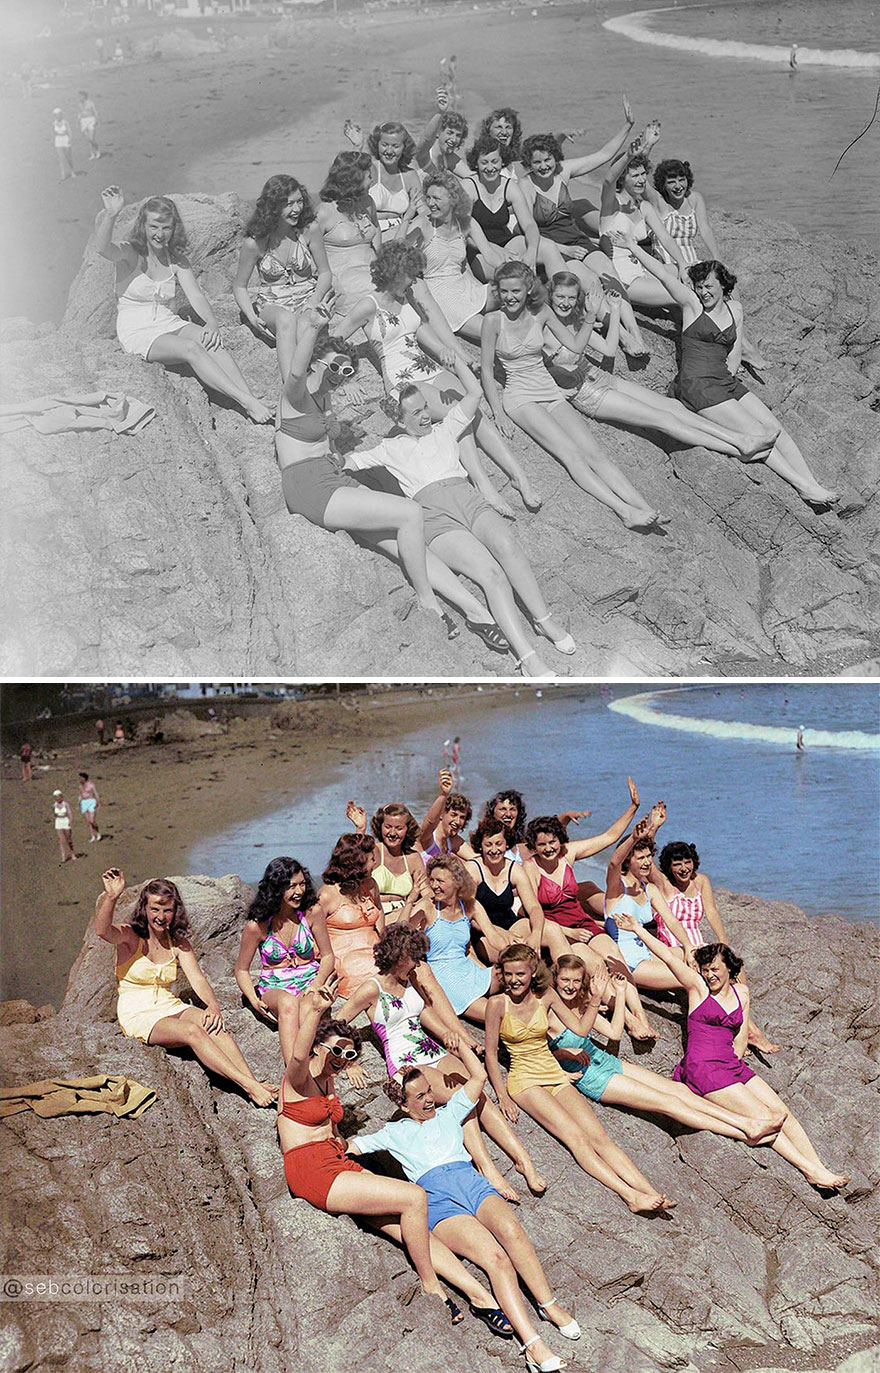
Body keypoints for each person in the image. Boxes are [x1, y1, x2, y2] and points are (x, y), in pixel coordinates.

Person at [348, 1038, 578, 1370]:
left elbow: (479, 1078)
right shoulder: (392, 1132)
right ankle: (532, 1344)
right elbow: (352, 1146)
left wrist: (462, 1050)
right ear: (403, 1104)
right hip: (439, 1201)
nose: (429, 1099)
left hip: (471, 1183)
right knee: (496, 1259)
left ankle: (548, 1304)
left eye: (429, 1091)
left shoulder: (449, 1111)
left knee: (513, 1230)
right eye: (420, 1096)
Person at [343, 352, 571, 675]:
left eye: (425, 408)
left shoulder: (445, 428)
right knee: (491, 574)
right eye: (416, 412)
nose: (425, 416)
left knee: (507, 543)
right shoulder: (388, 449)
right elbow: (351, 463)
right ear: (399, 419)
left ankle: (544, 620)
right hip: (436, 518)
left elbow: (475, 395)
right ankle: (527, 657)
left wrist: (457, 365)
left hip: (468, 499)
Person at [612, 918, 851, 1191]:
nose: (709, 975)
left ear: (728, 967)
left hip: (731, 1065)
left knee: (782, 1112)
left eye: (714, 969)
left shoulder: (742, 993)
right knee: (763, 1117)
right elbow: (668, 957)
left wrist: (741, 1072)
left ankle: (820, 1166)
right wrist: (638, 929)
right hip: (703, 1068)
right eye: (705, 970)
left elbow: (740, 1040)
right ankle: (810, 1171)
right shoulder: (698, 989)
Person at [610, 241, 841, 509]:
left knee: (776, 430)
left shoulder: (736, 310)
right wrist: (630, 246)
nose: (703, 291)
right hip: (697, 385)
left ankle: (812, 482)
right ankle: (803, 488)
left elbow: (734, 354)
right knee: (756, 433)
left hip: (724, 381)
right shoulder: (691, 305)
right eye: (700, 286)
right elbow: (662, 275)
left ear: (723, 285)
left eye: (709, 286)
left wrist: (730, 386)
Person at [274, 305, 456, 636]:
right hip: (308, 485)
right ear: (317, 361)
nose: (337, 375)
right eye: (333, 366)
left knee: (401, 539)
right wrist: (314, 327)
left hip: (331, 478)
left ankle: (474, 610)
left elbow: (326, 437)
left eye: (345, 372)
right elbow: (297, 373)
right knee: (410, 514)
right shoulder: (294, 396)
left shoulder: (325, 400)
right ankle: (429, 603)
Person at [278, 979, 454, 1319]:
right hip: (311, 1169)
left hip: (335, 1162)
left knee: (404, 1222)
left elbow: (328, 1126)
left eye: (348, 1055)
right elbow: (298, 1053)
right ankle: (431, 1284)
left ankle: (473, 1291)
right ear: (318, 1047)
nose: (341, 1059)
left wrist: (341, 1139)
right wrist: (313, 1011)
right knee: (414, 1198)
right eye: (335, 1050)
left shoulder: (328, 1079)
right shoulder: (296, 1079)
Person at [339, 923, 546, 1200]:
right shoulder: (371, 989)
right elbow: (337, 1025)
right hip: (405, 1065)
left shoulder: (409, 981)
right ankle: (487, 1167)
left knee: (477, 1092)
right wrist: (350, 1063)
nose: (416, 965)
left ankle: (523, 1160)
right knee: (462, 1095)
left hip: (431, 1050)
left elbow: (423, 1013)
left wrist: (448, 1033)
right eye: (413, 958)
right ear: (399, 956)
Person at [336, 240, 528, 518]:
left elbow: (420, 330)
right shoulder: (368, 305)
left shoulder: (406, 297)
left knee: (474, 410)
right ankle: (484, 485)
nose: (414, 281)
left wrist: (444, 351)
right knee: (457, 414)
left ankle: (517, 473)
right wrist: (347, 378)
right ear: (394, 273)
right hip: (402, 381)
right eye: (410, 275)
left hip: (427, 367)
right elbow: (334, 341)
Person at [484, 945, 673, 1213]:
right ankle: (630, 1196)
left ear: (532, 973)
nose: (514, 980)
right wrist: (502, 1095)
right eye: (509, 974)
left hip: (553, 1073)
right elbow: (491, 1054)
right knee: (577, 1139)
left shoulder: (546, 996)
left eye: (521, 974)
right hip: (526, 1081)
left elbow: (582, 1028)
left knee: (600, 1138)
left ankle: (650, 1191)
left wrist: (595, 998)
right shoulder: (497, 1004)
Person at [480, 261, 667, 532]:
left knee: (595, 454)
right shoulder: (492, 320)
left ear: (528, 289)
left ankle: (644, 507)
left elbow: (576, 345)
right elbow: (486, 369)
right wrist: (497, 411)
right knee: (572, 457)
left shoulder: (541, 312)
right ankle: (625, 511)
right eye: (504, 291)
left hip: (549, 391)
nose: (510, 297)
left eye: (516, 291)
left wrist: (591, 315)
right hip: (521, 397)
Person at [549, 956, 784, 1145]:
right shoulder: (548, 1012)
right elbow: (537, 1050)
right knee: (668, 1103)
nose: (570, 986)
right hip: (591, 1076)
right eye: (565, 980)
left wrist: (619, 994)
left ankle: (744, 1120)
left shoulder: (580, 1005)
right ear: (555, 980)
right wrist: (563, 1056)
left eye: (576, 981)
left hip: (604, 1060)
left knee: (679, 1091)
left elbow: (614, 1032)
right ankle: (745, 1130)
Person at [544, 273, 776, 461]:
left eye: (571, 298)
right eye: (560, 297)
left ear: (578, 300)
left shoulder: (574, 322)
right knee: (663, 419)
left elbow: (608, 349)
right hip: (589, 393)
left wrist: (614, 311)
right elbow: (532, 365)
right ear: (549, 296)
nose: (565, 303)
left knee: (672, 406)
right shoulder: (543, 329)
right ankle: (739, 446)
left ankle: (737, 437)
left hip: (600, 377)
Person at [96, 868, 276, 1106]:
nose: (161, 916)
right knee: (192, 1033)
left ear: (175, 911)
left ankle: (252, 1082)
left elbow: (198, 979)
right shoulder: (131, 936)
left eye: (167, 910)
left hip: (168, 1004)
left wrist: (213, 1006)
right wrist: (111, 897)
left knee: (213, 1025)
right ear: (145, 910)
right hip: (137, 1013)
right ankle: (249, 1087)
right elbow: (103, 931)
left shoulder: (178, 943)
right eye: (155, 909)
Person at [95, 188, 272, 424]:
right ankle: (246, 401)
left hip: (167, 321)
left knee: (210, 340)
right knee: (191, 349)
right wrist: (111, 215)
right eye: (154, 227)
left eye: (166, 227)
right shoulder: (131, 253)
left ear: (174, 227)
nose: (160, 234)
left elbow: (196, 297)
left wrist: (211, 322)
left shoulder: (176, 260)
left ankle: (250, 398)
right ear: (143, 227)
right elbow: (102, 249)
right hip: (137, 330)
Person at [650, 828, 781, 1054]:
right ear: (669, 867)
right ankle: (751, 1033)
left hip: (699, 946)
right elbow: (648, 862)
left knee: (735, 971)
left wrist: (723, 943)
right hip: (675, 948)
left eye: (687, 862)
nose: (683, 868)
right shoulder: (664, 885)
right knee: (713, 976)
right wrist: (653, 828)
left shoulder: (700, 881)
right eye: (677, 864)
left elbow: (711, 911)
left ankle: (740, 1026)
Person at [234, 857, 335, 1055]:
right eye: (291, 886)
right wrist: (254, 1000)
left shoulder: (312, 912)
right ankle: (293, 1072)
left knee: (309, 1009)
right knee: (288, 1004)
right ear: (276, 888)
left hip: (309, 981)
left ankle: (310, 1064)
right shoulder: (257, 926)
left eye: (302, 884)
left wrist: (317, 983)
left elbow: (328, 956)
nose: (299, 892)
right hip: (275, 986)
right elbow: (241, 969)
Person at [232, 175, 332, 359]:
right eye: (289, 204)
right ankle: (293, 384)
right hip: (273, 304)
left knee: (306, 324)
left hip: (307, 299)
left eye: (300, 202)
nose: (296, 209)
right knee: (286, 320)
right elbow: (239, 286)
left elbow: (325, 273)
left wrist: (314, 301)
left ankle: (299, 380)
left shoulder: (309, 230)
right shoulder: (255, 243)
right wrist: (252, 318)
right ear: (273, 207)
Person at [599, 135, 692, 311]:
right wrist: (628, 155)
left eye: (643, 174)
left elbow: (665, 237)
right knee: (685, 294)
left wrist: (682, 263)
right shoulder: (611, 205)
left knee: (699, 274)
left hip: (644, 268)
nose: (641, 180)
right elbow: (607, 180)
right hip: (625, 278)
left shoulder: (644, 206)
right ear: (622, 179)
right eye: (634, 176)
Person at [603, 819, 696, 992]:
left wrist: (689, 946)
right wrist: (633, 838)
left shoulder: (649, 889)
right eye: (640, 858)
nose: (647, 862)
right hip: (630, 962)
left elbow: (671, 921)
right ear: (628, 861)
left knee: (700, 957)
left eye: (649, 856)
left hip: (648, 952)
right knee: (691, 977)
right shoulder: (616, 889)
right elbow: (613, 863)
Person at [460, 135, 564, 284]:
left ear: (502, 161)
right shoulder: (469, 187)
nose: (490, 168)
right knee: (513, 270)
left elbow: (529, 224)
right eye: (484, 162)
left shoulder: (509, 186)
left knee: (549, 248)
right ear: (476, 163)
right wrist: (495, 249)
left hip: (506, 242)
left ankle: (563, 291)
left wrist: (531, 252)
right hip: (478, 250)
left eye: (495, 161)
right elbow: (465, 233)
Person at [423, 854, 508, 1022]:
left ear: (457, 881)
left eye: (440, 881)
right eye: (432, 880)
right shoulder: (428, 906)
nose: (434, 886)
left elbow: (493, 937)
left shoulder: (470, 905)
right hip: (447, 979)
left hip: (470, 970)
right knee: (500, 1017)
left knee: (522, 977)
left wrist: (515, 955)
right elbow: (400, 930)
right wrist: (410, 901)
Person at [462, 817, 546, 955]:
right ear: (480, 846)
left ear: (506, 844)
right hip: (481, 931)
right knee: (512, 953)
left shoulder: (514, 869)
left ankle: (569, 972)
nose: (494, 850)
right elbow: (469, 914)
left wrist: (536, 935)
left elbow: (534, 907)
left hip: (510, 924)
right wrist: (500, 933)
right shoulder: (472, 869)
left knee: (552, 931)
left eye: (498, 844)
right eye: (488, 845)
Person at [319, 833, 386, 998]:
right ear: (358, 862)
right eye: (371, 859)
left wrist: (385, 941)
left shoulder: (370, 886)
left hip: (373, 950)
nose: (375, 863)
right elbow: (311, 932)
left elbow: (379, 910)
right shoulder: (327, 895)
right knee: (383, 973)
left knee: (415, 966)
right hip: (347, 959)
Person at [316, 151, 381, 316]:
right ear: (354, 180)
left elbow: (376, 228)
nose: (372, 180)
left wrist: (381, 259)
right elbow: (309, 250)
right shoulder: (325, 211)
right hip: (344, 279)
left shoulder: (368, 203)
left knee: (410, 282)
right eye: (368, 176)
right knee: (382, 289)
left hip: (370, 270)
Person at [343, 798, 431, 918]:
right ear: (380, 827)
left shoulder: (413, 858)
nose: (393, 833)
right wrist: (360, 829)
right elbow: (355, 860)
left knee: (427, 905)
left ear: (407, 830)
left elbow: (425, 890)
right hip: (375, 912)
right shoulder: (374, 850)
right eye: (388, 827)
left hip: (403, 913)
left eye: (399, 828)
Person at [343, 119, 423, 240]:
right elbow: (350, 179)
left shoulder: (410, 175)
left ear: (404, 148)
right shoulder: (371, 168)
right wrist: (357, 147)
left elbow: (423, 209)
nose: (389, 151)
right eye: (384, 145)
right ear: (377, 145)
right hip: (370, 232)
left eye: (395, 146)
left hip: (400, 233)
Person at [419, 769, 473, 856]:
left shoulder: (451, 841)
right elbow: (429, 821)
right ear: (441, 814)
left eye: (462, 817)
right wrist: (444, 794)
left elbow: (476, 859)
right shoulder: (428, 837)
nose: (458, 821)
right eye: (453, 815)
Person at [414, 90, 468, 173]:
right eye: (449, 133)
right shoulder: (425, 155)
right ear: (438, 132)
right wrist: (440, 113)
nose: (453, 139)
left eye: (458, 135)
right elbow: (426, 139)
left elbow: (471, 175)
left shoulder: (448, 159)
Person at [52, 790, 76, 863]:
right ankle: (63, 856)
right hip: (58, 821)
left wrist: (70, 821)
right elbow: (54, 814)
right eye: (56, 797)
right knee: (61, 840)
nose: (57, 799)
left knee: (68, 840)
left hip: (65, 821)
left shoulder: (66, 804)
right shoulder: (54, 805)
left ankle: (72, 853)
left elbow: (69, 813)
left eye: (58, 797)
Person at [78, 772, 102, 842]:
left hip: (91, 801)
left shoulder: (91, 785)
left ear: (84, 778)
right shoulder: (80, 786)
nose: (80, 779)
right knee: (88, 821)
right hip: (84, 802)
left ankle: (97, 833)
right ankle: (93, 836)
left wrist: (98, 803)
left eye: (81, 778)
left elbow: (96, 793)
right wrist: (79, 802)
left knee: (92, 820)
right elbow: (81, 794)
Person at [53, 109, 76, 182]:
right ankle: (63, 173)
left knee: (68, 157)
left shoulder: (65, 122)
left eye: (59, 114)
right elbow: (53, 132)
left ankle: (72, 171)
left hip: (65, 138)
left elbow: (69, 131)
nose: (58, 116)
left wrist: (70, 139)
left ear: (61, 115)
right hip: (58, 140)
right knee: (60, 157)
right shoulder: (53, 123)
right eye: (56, 115)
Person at [78, 91, 100, 159]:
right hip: (83, 121)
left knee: (92, 138)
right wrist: (78, 120)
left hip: (91, 120)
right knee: (88, 139)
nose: (79, 97)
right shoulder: (80, 104)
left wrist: (97, 120)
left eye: (81, 96)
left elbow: (95, 112)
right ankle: (92, 154)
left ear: (84, 96)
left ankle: (97, 151)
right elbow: (80, 112)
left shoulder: (90, 103)